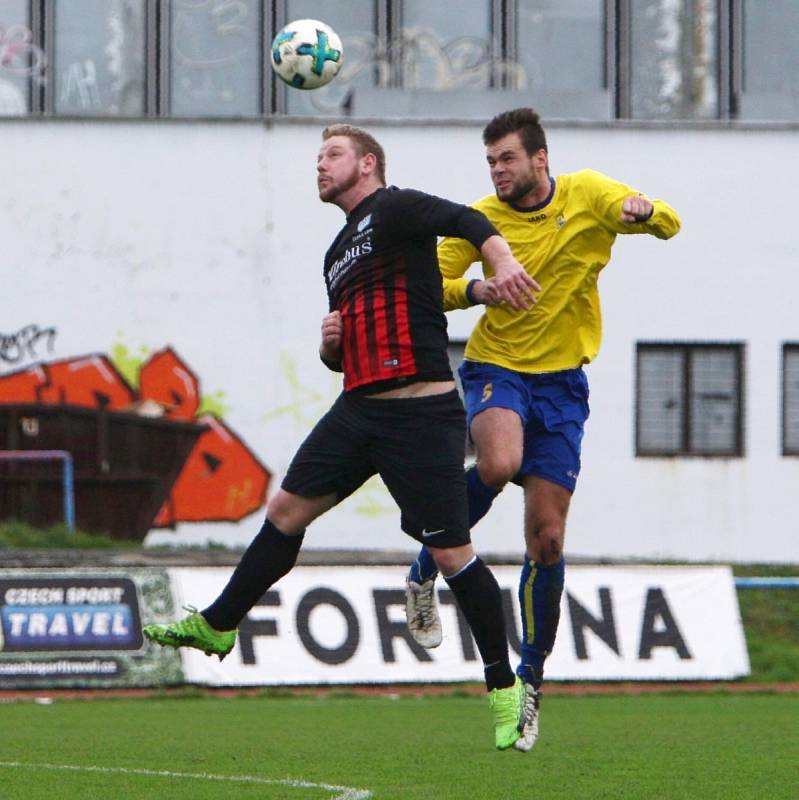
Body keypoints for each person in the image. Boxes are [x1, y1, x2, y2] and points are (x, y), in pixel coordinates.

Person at [143, 123, 541, 751]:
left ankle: (503, 685)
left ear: (368, 163)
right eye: (318, 158)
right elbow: (342, 355)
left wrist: (503, 258)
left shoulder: (398, 207)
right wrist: (330, 348)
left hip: (421, 412)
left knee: (450, 554)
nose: (320, 167)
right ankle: (219, 625)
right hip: (357, 411)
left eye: (332, 155)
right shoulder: (335, 254)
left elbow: (467, 219)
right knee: (284, 510)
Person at [404, 108, 682, 752]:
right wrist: (479, 289)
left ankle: (530, 682)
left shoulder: (587, 194)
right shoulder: (479, 220)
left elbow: (669, 220)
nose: (499, 171)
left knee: (548, 540)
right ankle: (425, 568)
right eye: (492, 162)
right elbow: (431, 286)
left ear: (540, 159)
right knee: (498, 463)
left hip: (563, 385)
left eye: (507, 159)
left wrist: (646, 213)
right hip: (499, 366)